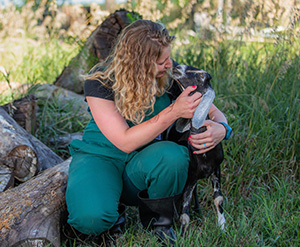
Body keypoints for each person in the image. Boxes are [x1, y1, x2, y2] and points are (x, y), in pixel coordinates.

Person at [66, 19, 230, 243]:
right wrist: (173, 111)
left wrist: (222, 128)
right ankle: (109, 210)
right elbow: (124, 141)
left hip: (144, 162)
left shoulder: (170, 77)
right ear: (138, 63)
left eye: (169, 57)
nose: (169, 64)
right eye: (162, 61)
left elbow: (213, 111)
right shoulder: (101, 81)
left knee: (173, 156)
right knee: (90, 219)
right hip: (102, 158)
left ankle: (160, 224)